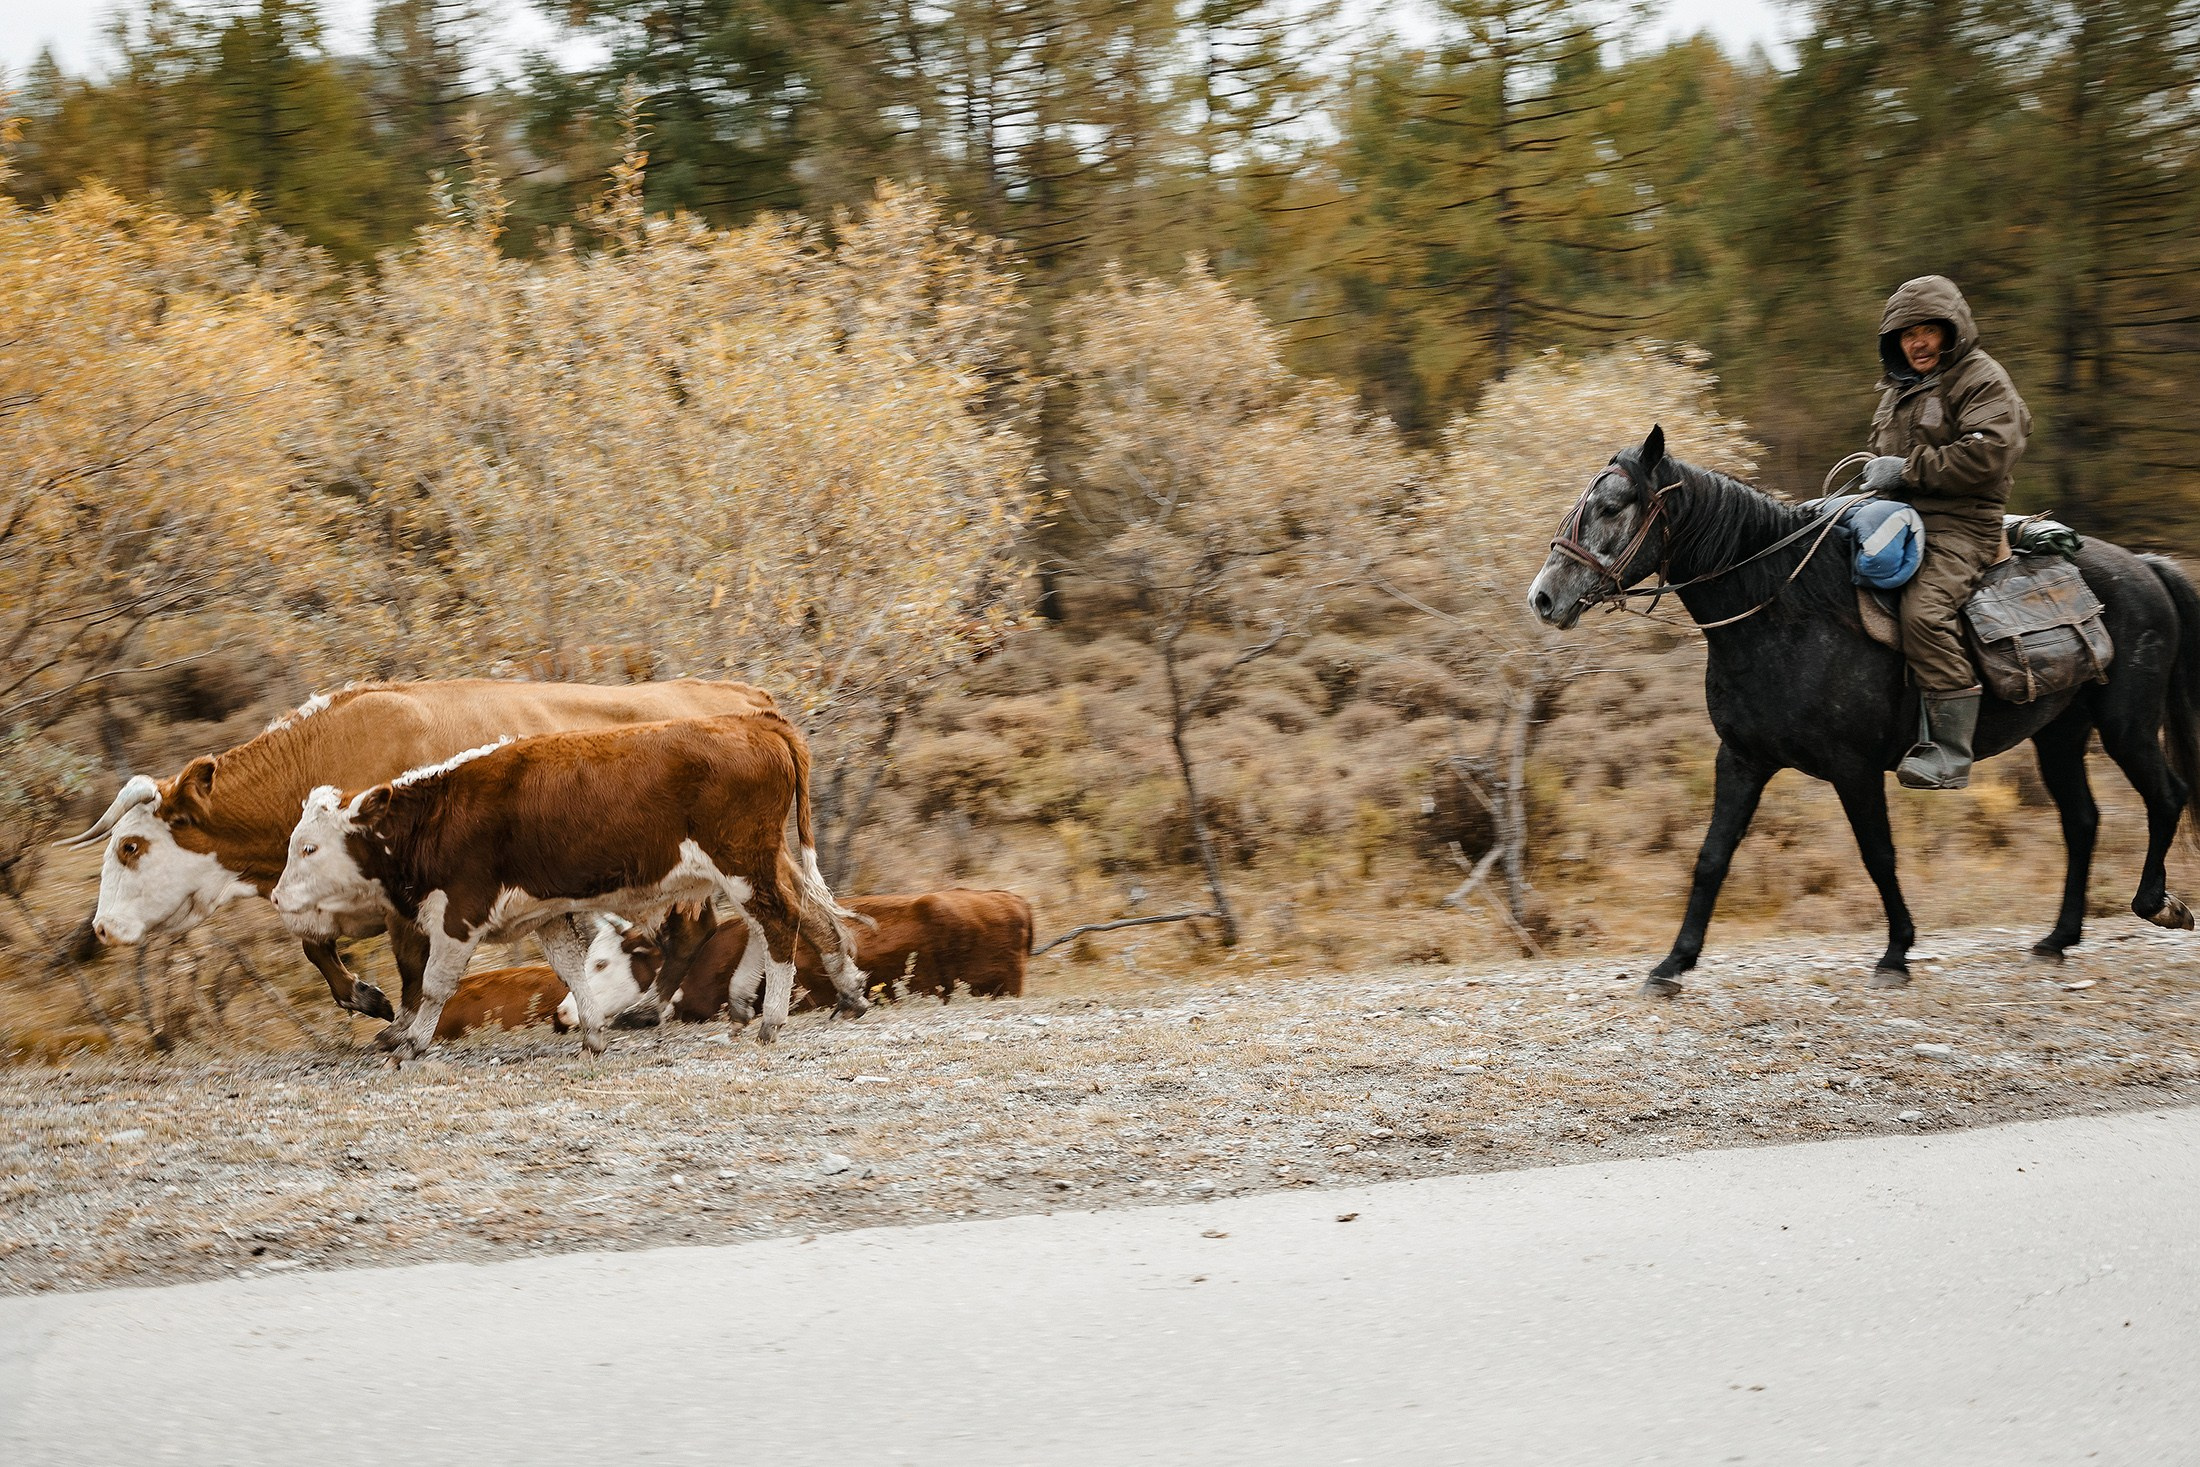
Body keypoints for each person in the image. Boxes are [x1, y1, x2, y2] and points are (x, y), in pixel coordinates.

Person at [1857, 275, 2032, 790]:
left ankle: (1951, 752)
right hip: (1896, 518)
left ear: (1952, 329)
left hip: (1963, 525)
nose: (1917, 342)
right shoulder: (1899, 391)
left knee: (1924, 613)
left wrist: (1906, 472)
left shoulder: (1981, 378)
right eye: (1906, 334)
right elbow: (1884, 458)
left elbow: (1990, 454)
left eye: (1928, 329)